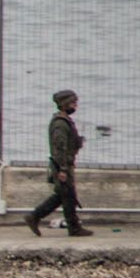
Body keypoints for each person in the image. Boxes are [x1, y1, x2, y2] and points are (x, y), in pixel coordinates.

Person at [24, 88, 91, 236]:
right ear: (65, 104)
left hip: (64, 164)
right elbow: (59, 148)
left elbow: (66, 144)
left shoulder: (64, 122)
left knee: (66, 196)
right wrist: (62, 169)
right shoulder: (60, 124)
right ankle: (38, 217)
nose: (75, 106)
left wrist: (77, 142)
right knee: (66, 196)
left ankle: (70, 226)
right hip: (62, 165)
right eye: (73, 103)